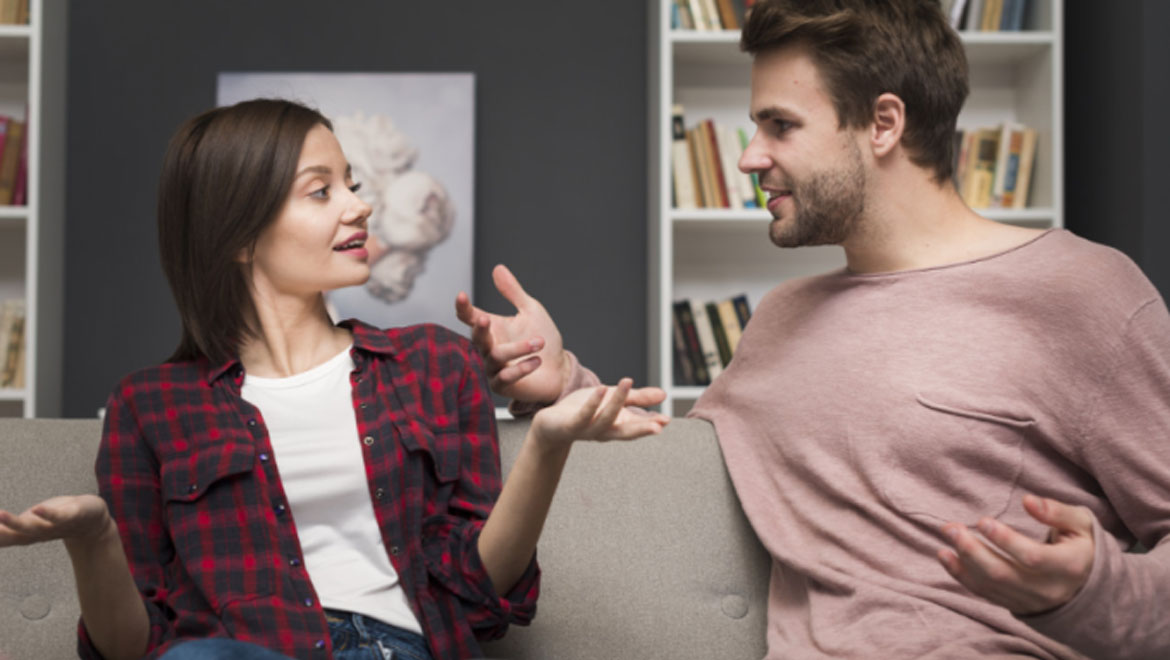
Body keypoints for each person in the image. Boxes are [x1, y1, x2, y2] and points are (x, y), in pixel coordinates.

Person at [455, 1, 1170, 658]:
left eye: (781, 125)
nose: (748, 156)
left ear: (883, 124)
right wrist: (560, 380)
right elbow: (687, 458)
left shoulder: (1080, 291)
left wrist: (1089, 592)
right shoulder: (783, 318)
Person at [0, 98, 669, 660]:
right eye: (322, 191)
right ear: (238, 235)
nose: (359, 206)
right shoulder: (149, 406)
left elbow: (483, 593)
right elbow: (129, 649)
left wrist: (547, 443)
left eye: (352, 183)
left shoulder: (435, 363)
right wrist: (95, 538)